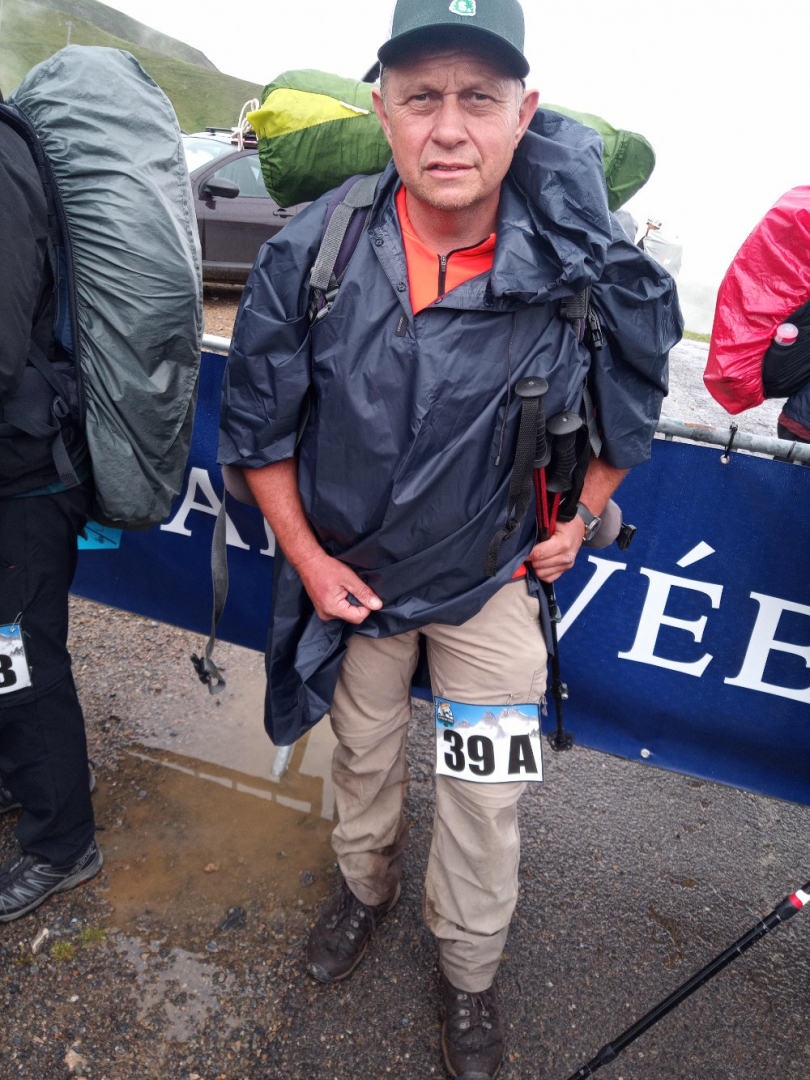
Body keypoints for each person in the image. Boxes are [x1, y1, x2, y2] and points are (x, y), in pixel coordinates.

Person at [219, 1, 682, 1074]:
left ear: (525, 112)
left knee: (486, 797)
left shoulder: (579, 261)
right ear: (382, 110)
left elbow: (634, 401)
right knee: (363, 755)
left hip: (492, 583)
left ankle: (470, 974)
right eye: (421, 96)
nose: (448, 128)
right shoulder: (316, 249)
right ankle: (364, 887)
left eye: (479, 97)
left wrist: (579, 514)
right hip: (356, 581)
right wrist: (310, 560)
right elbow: (258, 431)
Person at [0, 92, 102, 922]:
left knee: (20, 656)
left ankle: (63, 841)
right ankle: (20, 778)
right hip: (14, 462)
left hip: (25, 475)